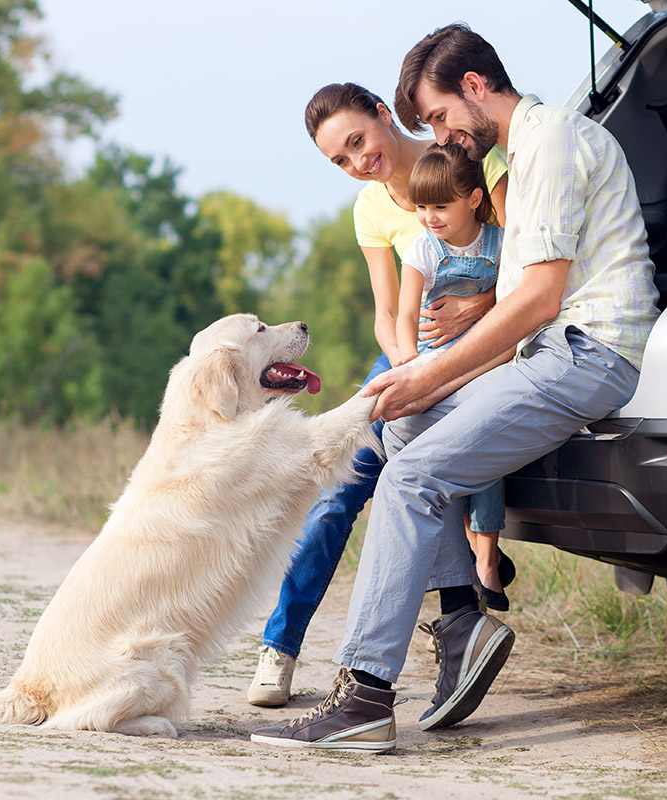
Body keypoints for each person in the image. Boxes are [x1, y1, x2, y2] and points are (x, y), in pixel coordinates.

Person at [252, 24, 660, 753]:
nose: (439, 135)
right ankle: (464, 621)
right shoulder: (532, 146)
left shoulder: (552, 142)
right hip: (549, 350)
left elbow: (532, 299)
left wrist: (429, 374)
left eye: (438, 116)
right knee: (403, 428)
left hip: (587, 354)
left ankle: (365, 696)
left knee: (407, 476)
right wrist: (418, 381)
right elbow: (512, 308)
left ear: (475, 89)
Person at [246, 83, 512, 708]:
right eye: (341, 160)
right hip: (408, 352)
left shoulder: (468, 161)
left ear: (384, 116)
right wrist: (406, 367)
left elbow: (532, 267)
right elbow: (386, 310)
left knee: (432, 456)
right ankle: (280, 648)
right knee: (341, 483)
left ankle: (460, 625)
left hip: (491, 342)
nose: (358, 162)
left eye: (358, 141)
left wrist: (477, 310)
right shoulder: (371, 208)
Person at [395, 142, 511, 611]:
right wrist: (407, 361)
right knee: (444, 447)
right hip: (437, 361)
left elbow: (518, 296)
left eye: (440, 206)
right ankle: (464, 551)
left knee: (484, 441)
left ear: (474, 200)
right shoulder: (423, 249)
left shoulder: (501, 243)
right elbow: (405, 316)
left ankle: (486, 558)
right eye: (421, 207)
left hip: (487, 361)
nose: (429, 217)